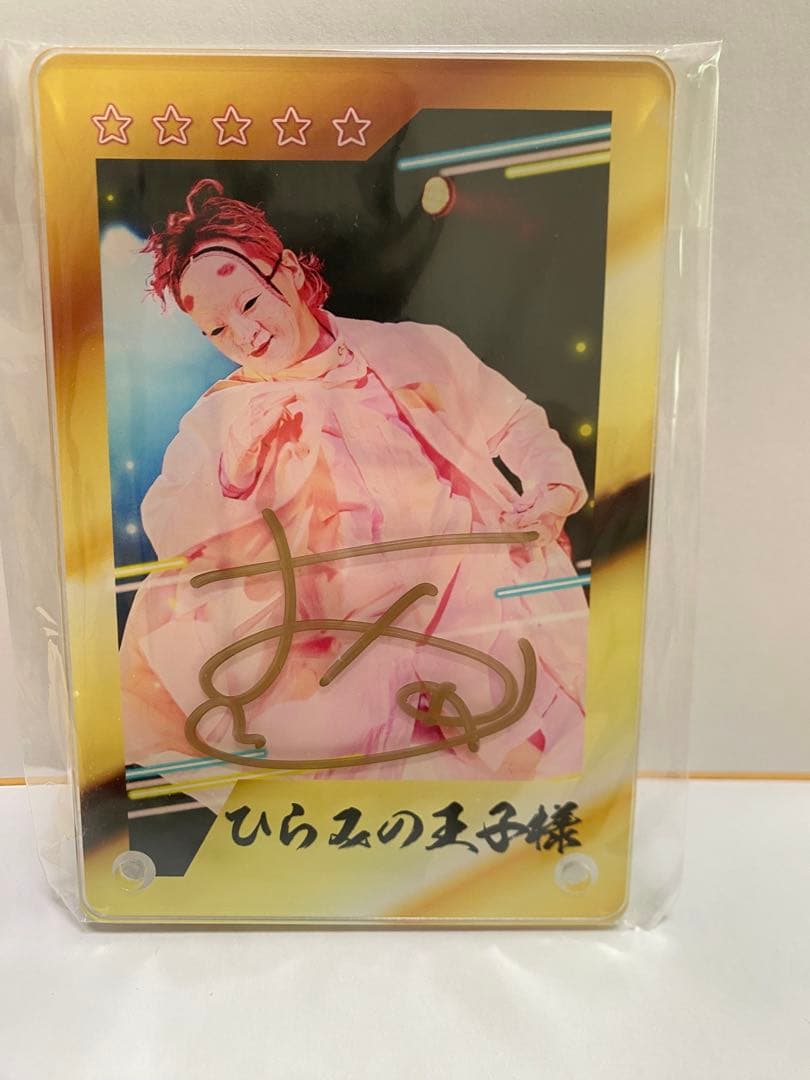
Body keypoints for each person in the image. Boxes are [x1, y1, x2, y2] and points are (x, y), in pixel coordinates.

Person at [120, 178, 589, 781]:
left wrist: (550, 494)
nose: (245, 334)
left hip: (467, 590)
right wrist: (232, 475)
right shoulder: (222, 416)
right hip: (341, 643)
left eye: (250, 303)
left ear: (289, 271)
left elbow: (514, 421)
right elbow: (169, 527)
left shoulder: (411, 349)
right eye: (216, 330)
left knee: (534, 759)